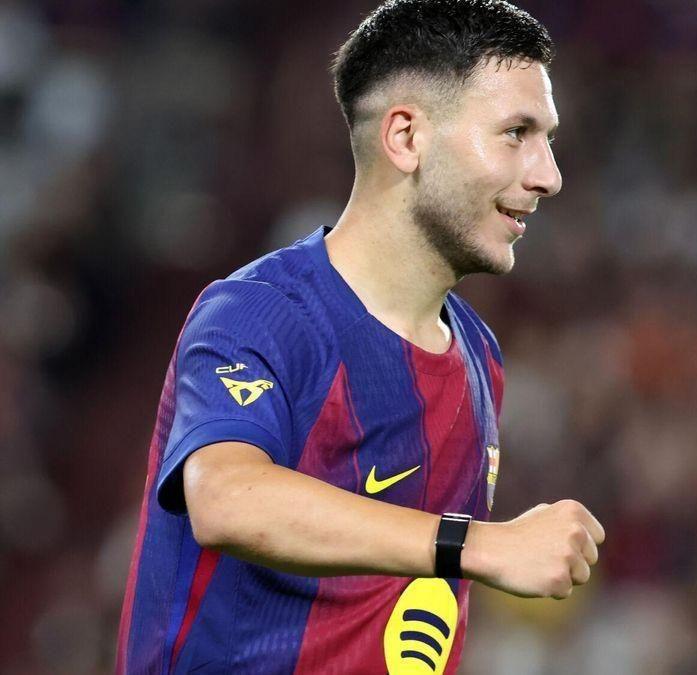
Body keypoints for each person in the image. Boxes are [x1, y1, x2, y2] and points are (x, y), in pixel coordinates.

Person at [114, 1, 605, 672]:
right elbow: (225, 498)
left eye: (547, 139)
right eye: (516, 132)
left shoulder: (479, 358)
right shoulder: (262, 313)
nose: (548, 175)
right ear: (405, 137)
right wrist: (478, 544)